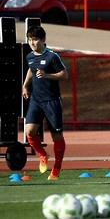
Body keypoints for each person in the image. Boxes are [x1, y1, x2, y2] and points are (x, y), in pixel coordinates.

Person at [22, 26, 68, 180]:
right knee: (29, 132)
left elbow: (64, 74)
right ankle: (43, 154)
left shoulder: (52, 56)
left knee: (57, 136)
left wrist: (47, 75)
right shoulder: (29, 56)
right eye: (30, 40)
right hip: (36, 99)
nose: (32, 43)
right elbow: (31, 69)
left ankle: (57, 168)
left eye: (35, 39)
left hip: (52, 101)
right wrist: (25, 85)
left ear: (43, 40)